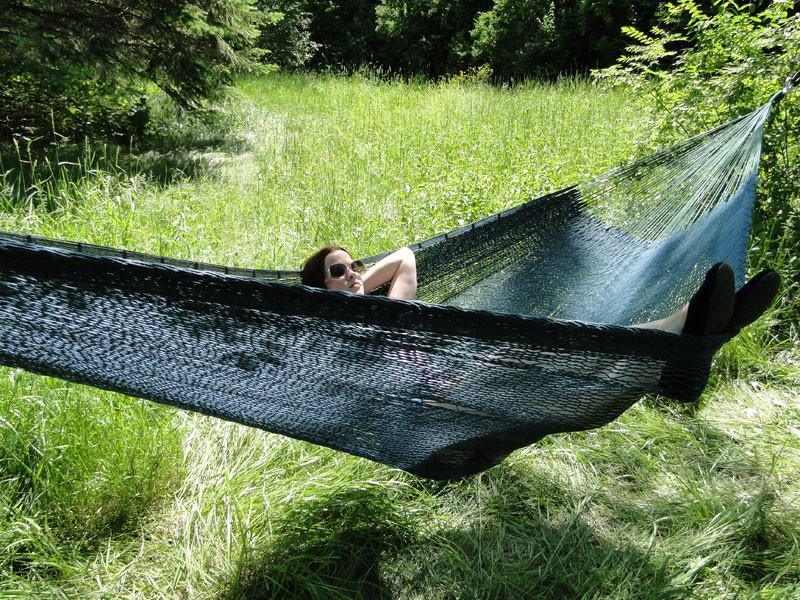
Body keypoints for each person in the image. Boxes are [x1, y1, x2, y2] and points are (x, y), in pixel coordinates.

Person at [301, 246, 780, 336]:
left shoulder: (390, 307)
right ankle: (693, 324)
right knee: (567, 346)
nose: (354, 272)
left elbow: (405, 256)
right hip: (435, 382)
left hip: (454, 355)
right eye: (339, 270)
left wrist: (358, 284)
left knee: (574, 340)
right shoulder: (336, 330)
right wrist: (339, 301)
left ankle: (694, 324)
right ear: (319, 287)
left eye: (355, 264)